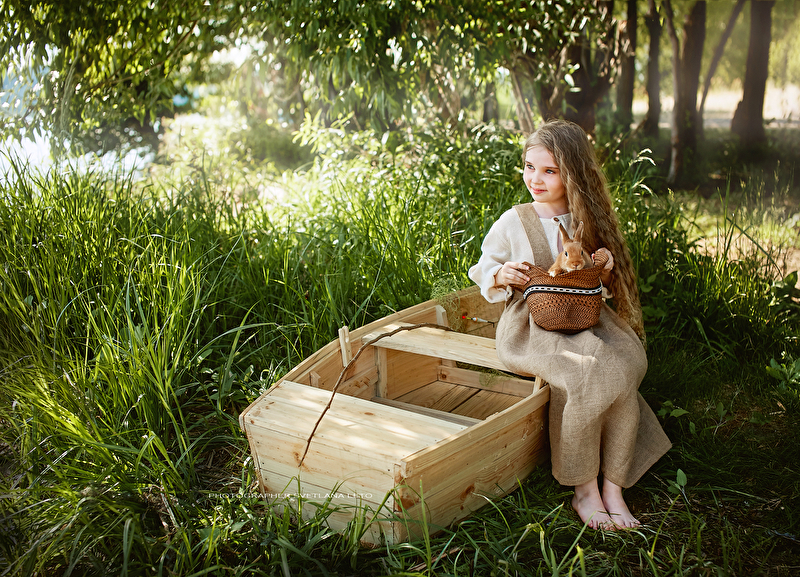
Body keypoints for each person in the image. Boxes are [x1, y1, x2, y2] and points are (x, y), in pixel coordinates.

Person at [468, 120, 671, 530]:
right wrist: (500, 273)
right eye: (529, 167)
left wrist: (606, 270)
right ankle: (585, 488)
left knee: (626, 361)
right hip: (533, 324)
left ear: (573, 174)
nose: (535, 179)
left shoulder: (584, 220)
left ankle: (614, 485)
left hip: (584, 315)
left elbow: (599, 286)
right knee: (582, 374)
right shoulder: (516, 219)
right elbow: (482, 265)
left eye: (549, 170)